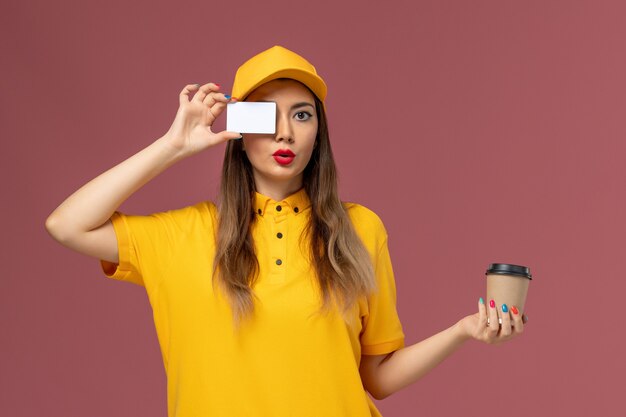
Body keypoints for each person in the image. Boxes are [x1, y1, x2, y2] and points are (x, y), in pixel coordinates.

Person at [45, 45, 528, 417]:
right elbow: (66, 224)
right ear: (237, 129)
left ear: (319, 131)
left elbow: (376, 377)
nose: (285, 133)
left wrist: (464, 331)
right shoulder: (182, 235)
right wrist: (172, 146)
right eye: (264, 114)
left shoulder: (360, 228)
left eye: (302, 114)